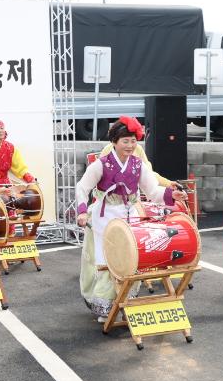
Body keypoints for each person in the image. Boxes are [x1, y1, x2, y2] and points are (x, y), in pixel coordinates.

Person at [75, 116, 187, 320]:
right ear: (114, 142)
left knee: (131, 260)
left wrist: (172, 195)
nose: (130, 145)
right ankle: (106, 307)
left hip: (130, 217)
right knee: (108, 261)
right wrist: (82, 211)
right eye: (125, 141)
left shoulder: (138, 165)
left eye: (133, 141)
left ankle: (125, 302)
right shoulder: (102, 164)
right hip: (105, 217)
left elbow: (153, 191)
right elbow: (82, 187)